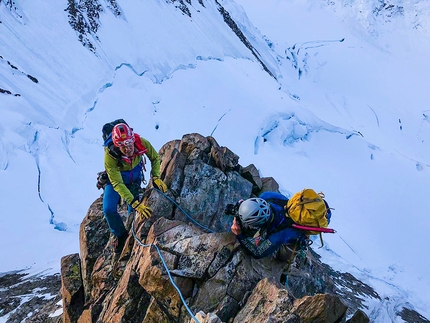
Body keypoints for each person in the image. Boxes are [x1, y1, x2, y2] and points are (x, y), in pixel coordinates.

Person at [103, 122, 167, 255]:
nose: (127, 149)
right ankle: (120, 235)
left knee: (134, 213)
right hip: (116, 181)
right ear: (116, 145)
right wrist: (133, 201)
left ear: (133, 139)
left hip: (133, 180)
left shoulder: (141, 142)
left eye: (129, 143)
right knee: (109, 210)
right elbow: (117, 183)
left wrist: (156, 177)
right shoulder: (110, 156)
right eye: (122, 146)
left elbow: (155, 158)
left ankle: (133, 234)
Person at [228, 191, 308, 261]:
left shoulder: (277, 236)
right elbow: (254, 207)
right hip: (287, 216)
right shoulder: (266, 196)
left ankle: (286, 270)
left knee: (283, 258)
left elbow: (257, 253)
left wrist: (239, 235)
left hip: (294, 234)